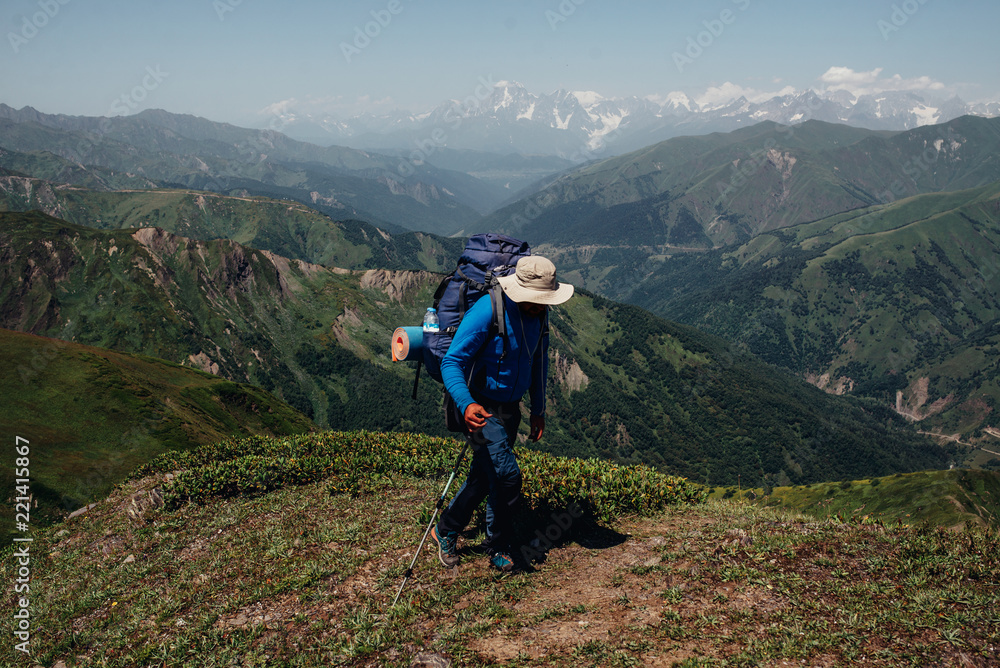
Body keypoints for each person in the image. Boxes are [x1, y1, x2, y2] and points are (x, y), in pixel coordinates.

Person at [430, 255, 574, 572]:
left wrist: (538, 409)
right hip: (481, 408)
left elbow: (538, 362)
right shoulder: (486, 311)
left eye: (544, 301)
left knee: (486, 478)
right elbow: (451, 362)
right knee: (508, 476)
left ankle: (446, 529)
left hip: (510, 408)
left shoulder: (539, 316)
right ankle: (500, 544)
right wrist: (467, 404)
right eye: (535, 301)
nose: (540, 307)